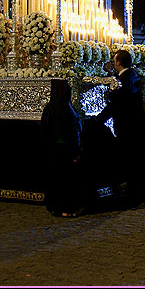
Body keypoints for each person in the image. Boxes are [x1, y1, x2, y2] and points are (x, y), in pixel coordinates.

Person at [94, 49, 145, 202]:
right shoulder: (132, 74)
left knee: (130, 157)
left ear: (118, 62)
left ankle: (133, 191)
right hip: (135, 123)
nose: (113, 62)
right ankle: (139, 188)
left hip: (126, 124)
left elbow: (116, 104)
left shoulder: (123, 79)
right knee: (137, 157)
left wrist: (99, 119)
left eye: (114, 60)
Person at [41, 79, 83, 217]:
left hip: (53, 150)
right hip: (64, 150)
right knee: (66, 181)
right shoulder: (66, 110)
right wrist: (76, 151)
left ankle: (54, 206)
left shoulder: (49, 108)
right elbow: (72, 131)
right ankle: (66, 208)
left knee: (55, 180)